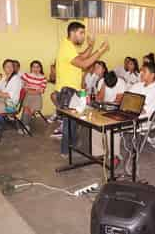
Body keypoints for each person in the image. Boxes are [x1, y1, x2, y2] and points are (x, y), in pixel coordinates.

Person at [54, 22, 109, 157]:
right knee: (69, 122)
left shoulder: (68, 45)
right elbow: (84, 64)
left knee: (73, 122)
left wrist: (90, 46)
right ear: (72, 33)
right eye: (81, 33)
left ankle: (70, 148)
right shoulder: (67, 47)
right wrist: (100, 50)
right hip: (68, 91)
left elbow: (82, 57)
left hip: (72, 90)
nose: (83, 36)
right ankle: (66, 151)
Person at [20, 60, 47, 132]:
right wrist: (33, 90)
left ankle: (24, 126)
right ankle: (24, 126)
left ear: (40, 68)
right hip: (27, 96)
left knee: (30, 110)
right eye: (34, 67)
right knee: (26, 109)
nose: (36, 69)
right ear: (31, 68)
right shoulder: (26, 75)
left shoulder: (43, 78)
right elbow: (23, 86)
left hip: (37, 98)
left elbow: (41, 91)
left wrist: (29, 90)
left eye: (37, 67)